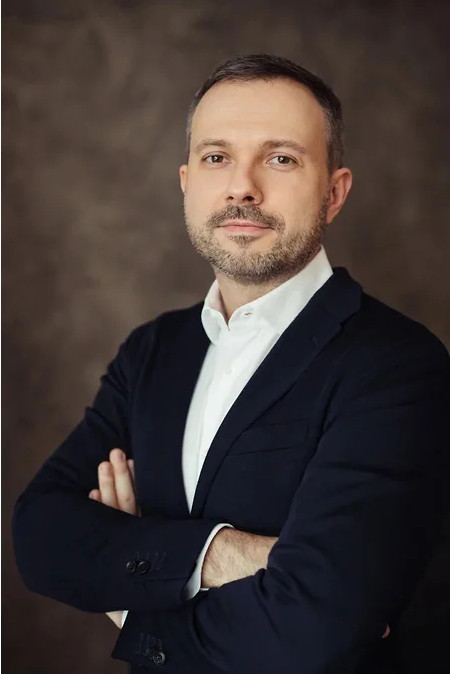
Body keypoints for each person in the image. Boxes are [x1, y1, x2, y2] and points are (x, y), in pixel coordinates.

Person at [12, 54, 450, 674]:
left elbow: (316, 629)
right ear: (187, 182)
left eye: (281, 159)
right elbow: (39, 535)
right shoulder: (152, 351)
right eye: (217, 157)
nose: (242, 186)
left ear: (334, 193)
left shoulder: (398, 365)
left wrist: (134, 600)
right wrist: (223, 554)